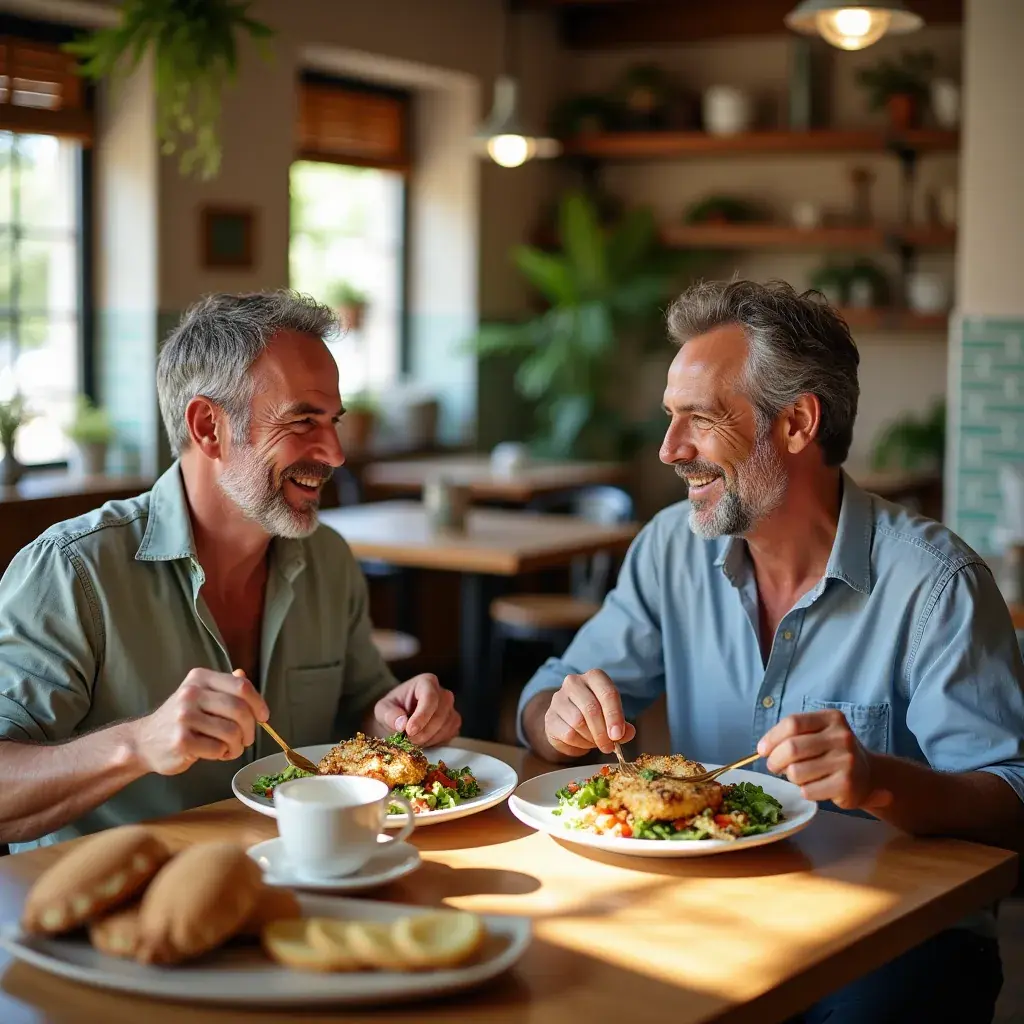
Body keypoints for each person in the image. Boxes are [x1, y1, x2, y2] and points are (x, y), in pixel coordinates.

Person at [517, 280, 1023, 1023]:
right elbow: (544, 699)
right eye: (670, 419)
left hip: (895, 935)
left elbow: (1012, 804)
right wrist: (555, 720)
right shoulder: (668, 548)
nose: (669, 450)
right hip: (709, 910)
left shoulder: (938, 585)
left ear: (797, 424)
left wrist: (881, 783)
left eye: (700, 419)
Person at [0, 291, 460, 851]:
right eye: (302, 420)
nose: (335, 453)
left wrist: (395, 719)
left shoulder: (328, 559)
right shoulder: (73, 571)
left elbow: (361, 707)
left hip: (298, 882)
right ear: (208, 427)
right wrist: (140, 744)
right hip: (115, 912)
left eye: (333, 421)